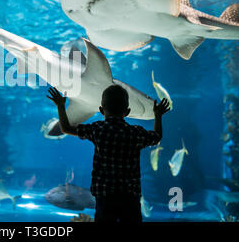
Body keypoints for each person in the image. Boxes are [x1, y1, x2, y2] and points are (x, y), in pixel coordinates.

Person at [47, 85, 170, 223]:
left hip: (105, 196)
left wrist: (61, 106)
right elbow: (157, 136)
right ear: (128, 112)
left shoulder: (98, 129)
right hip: (130, 198)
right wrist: (158, 115)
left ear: (101, 110)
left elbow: (66, 128)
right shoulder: (136, 132)